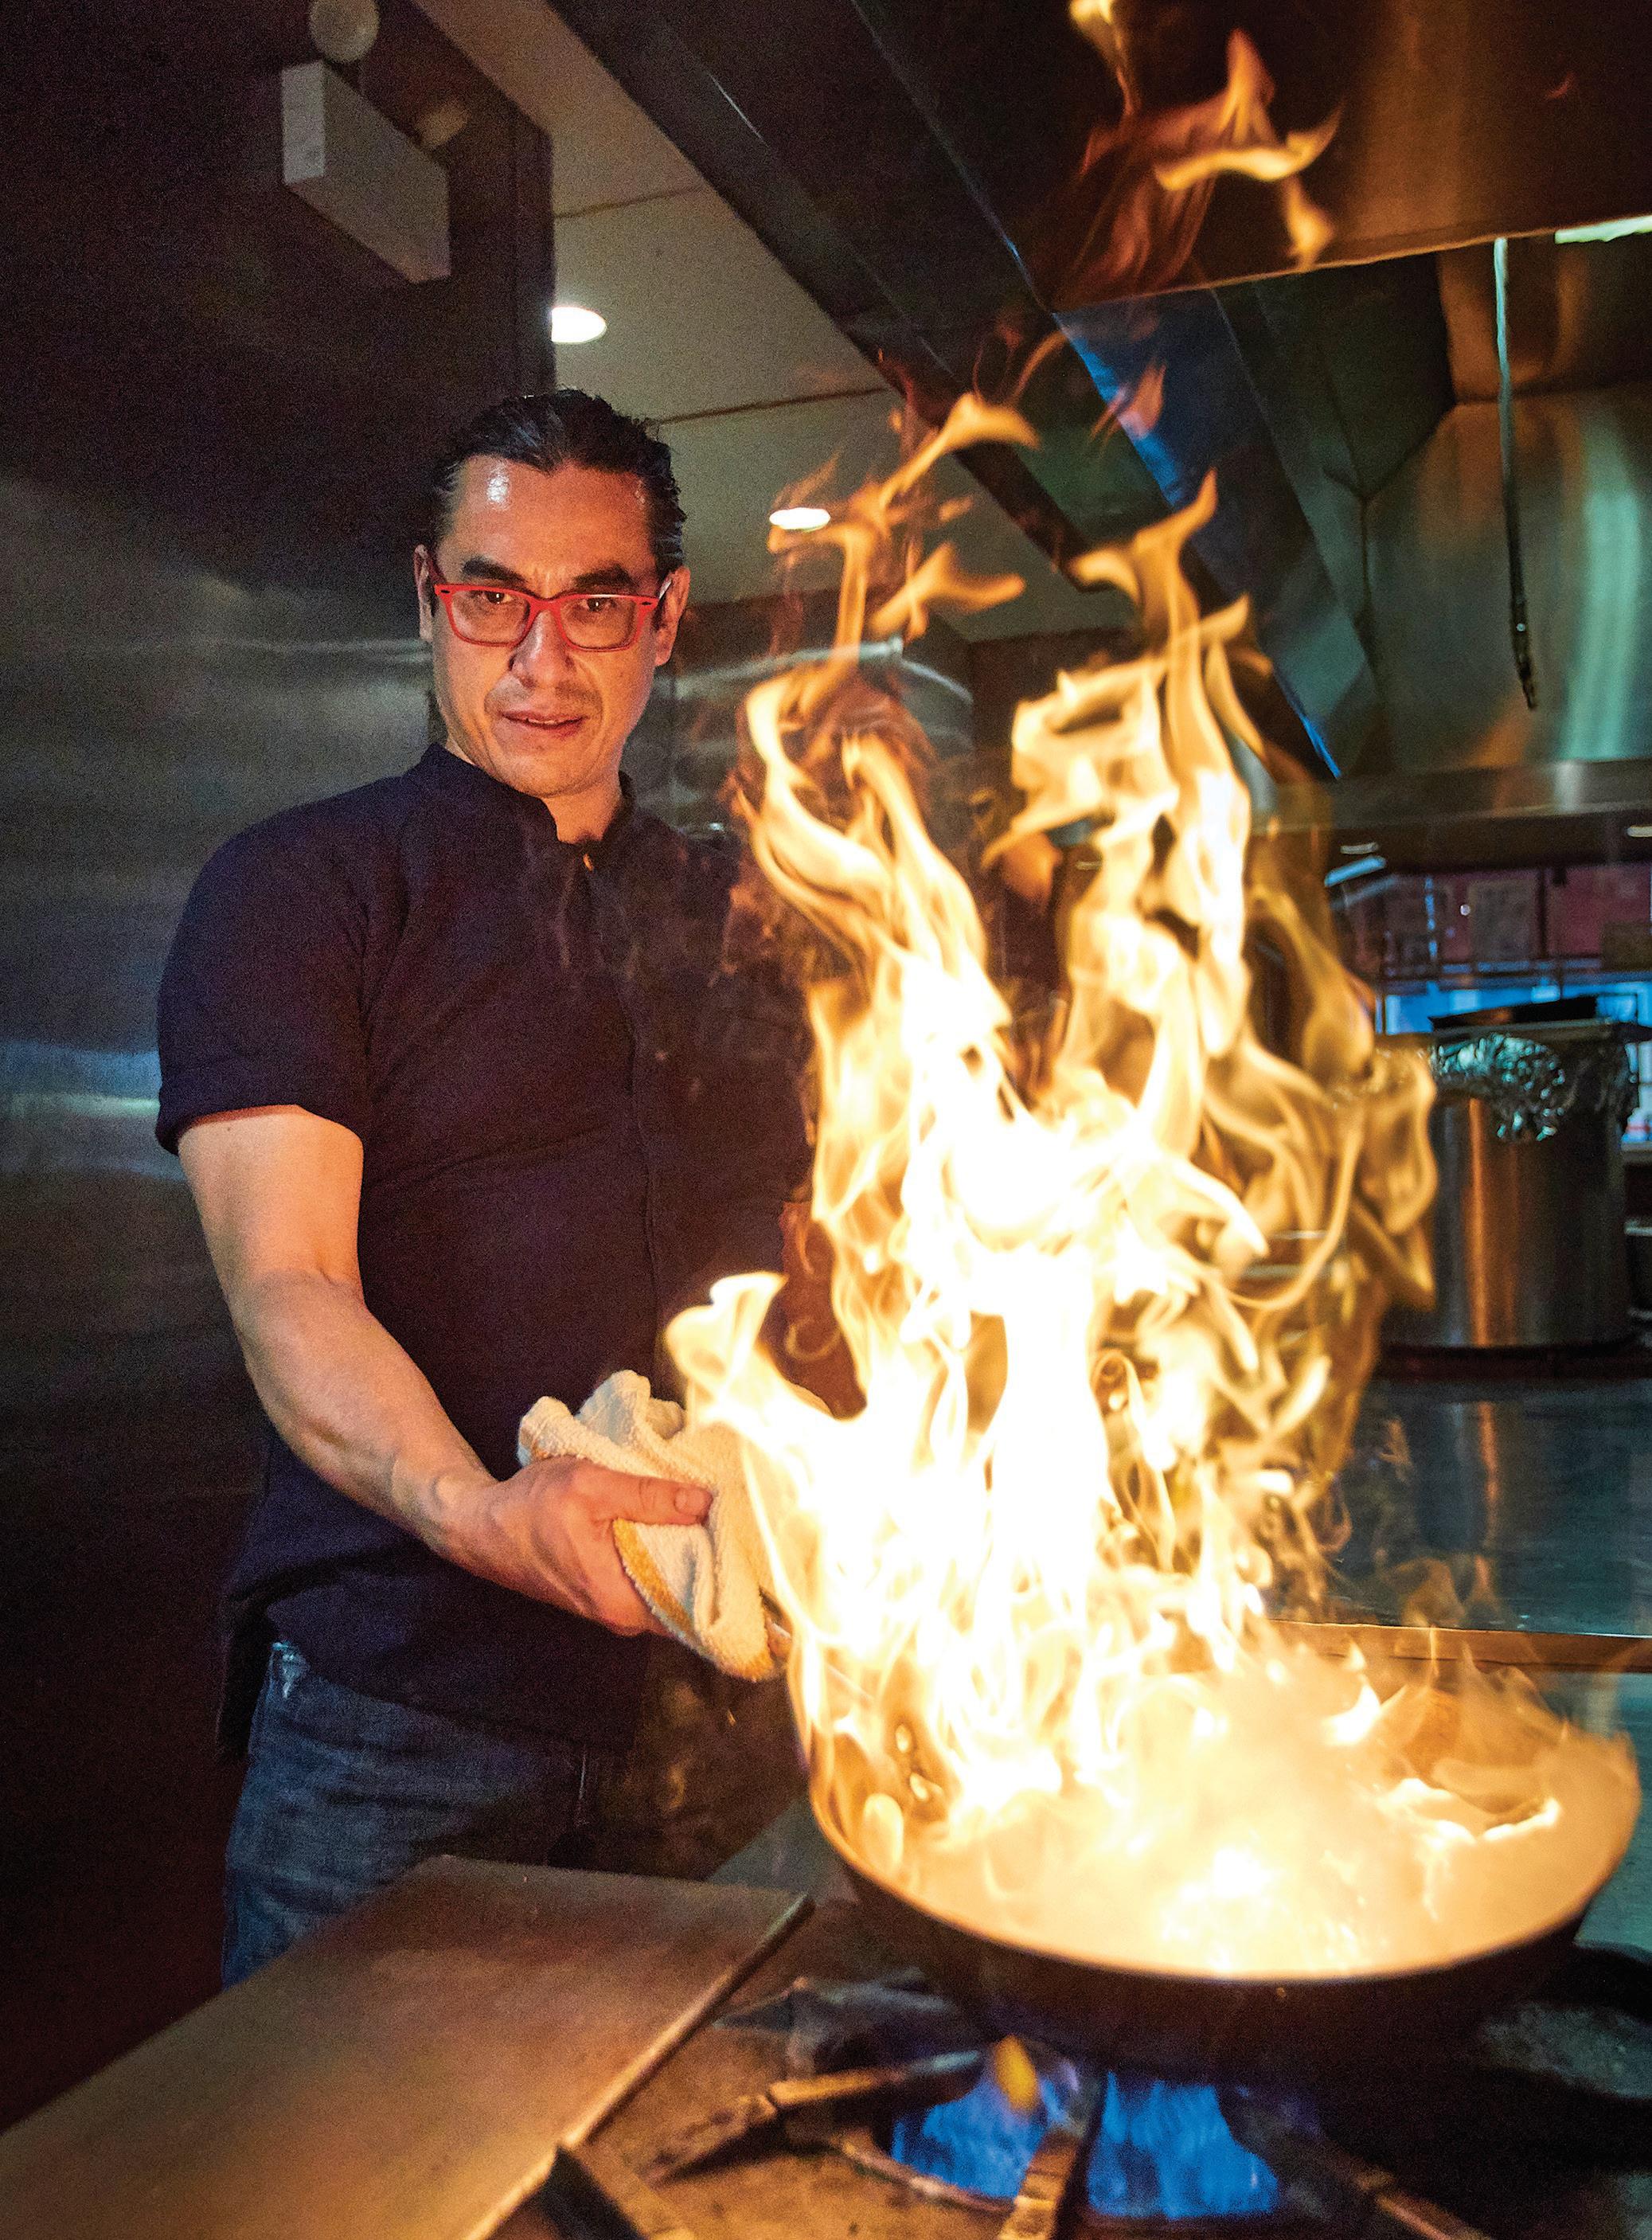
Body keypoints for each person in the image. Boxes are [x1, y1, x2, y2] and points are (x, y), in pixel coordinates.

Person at [157, 390, 810, 1982]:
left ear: (662, 621)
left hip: (726, 1726)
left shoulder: (757, 911)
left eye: (594, 603)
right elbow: (289, 1284)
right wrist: (479, 1509)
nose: (542, 658)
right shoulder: (304, 893)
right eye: (492, 597)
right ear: (431, 600)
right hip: (406, 1726)